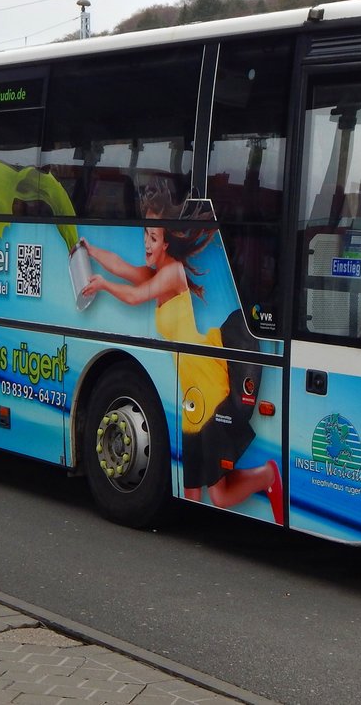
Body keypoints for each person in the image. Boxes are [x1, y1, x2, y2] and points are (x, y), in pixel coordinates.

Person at [81, 187, 283, 524]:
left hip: (206, 381)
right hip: (190, 394)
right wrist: (91, 250)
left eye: (154, 237)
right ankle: (265, 476)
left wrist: (102, 286)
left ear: (167, 244)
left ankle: (269, 475)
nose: (147, 242)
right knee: (202, 494)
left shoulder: (172, 274)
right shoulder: (159, 272)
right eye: (146, 234)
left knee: (214, 495)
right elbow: (124, 269)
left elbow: (133, 296)